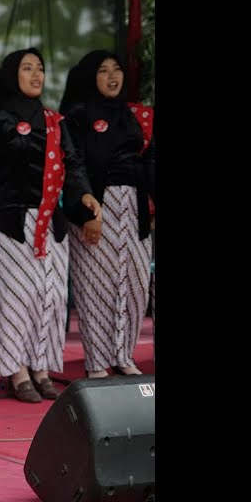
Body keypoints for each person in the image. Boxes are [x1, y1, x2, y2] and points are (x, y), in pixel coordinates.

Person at [0, 48, 100, 403]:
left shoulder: (55, 122)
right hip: (9, 225)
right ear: (13, 75)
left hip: (51, 224)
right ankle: (18, 372)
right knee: (16, 299)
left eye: (40, 68)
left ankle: (42, 368)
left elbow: (72, 165)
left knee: (52, 297)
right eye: (27, 68)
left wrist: (85, 195)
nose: (36, 74)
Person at [59, 50, 154, 379]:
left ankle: (124, 355)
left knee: (136, 283)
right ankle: (98, 363)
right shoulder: (77, 115)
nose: (113, 75)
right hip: (97, 207)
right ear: (89, 76)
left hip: (134, 207)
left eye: (117, 68)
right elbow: (74, 166)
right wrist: (86, 211)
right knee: (96, 289)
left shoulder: (132, 115)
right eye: (103, 70)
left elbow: (146, 162)